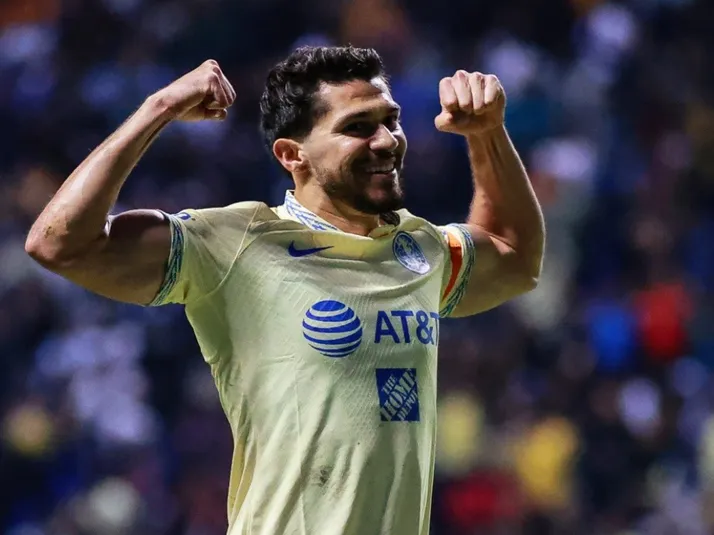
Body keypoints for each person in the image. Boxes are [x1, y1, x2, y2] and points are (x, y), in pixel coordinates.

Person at [26, 46, 544, 535]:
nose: (387, 140)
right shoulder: (235, 243)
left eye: (391, 120)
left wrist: (488, 134)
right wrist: (157, 109)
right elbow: (58, 244)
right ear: (292, 155)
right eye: (358, 127)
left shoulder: (419, 247)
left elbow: (516, 258)